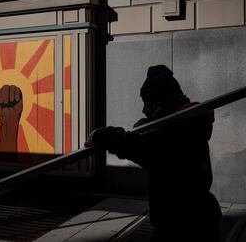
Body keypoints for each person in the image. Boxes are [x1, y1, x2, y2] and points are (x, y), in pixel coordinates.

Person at [85, 65, 222, 241]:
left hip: (184, 227)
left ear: (161, 101)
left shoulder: (181, 128)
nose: (144, 109)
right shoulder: (188, 122)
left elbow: (143, 147)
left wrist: (102, 135)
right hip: (192, 221)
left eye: (147, 103)